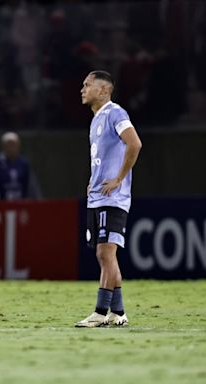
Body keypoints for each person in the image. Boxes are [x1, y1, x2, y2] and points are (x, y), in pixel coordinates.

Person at [75, 70, 142, 328]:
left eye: (87, 85)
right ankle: (118, 312)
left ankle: (100, 312)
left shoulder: (115, 113)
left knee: (106, 252)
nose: (82, 89)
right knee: (105, 255)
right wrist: (94, 179)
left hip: (112, 197)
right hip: (98, 196)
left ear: (103, 90)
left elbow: (134, 143)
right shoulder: (96, 120)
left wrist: (118, 179)